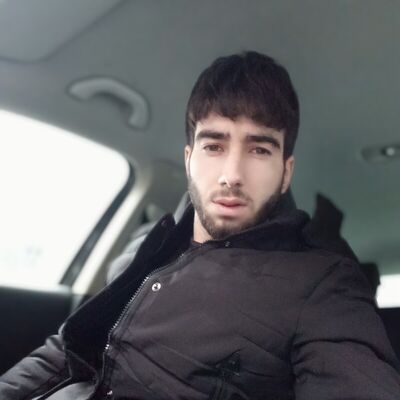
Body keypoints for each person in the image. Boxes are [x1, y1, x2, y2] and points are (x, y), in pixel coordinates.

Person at [1, 51, 400, 399]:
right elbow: (65, 350)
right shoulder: (149, 246)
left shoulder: (325, 286)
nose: (232, 174)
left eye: (260, 149)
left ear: (286, 173)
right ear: (189, 158)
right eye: (213, 146)